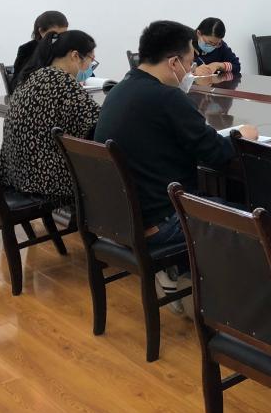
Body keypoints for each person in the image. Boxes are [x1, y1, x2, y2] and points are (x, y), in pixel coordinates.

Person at [95, 20, 258, 275]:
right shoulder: (168, 97)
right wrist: (240, 135)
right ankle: (218, 288)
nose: (190, 71)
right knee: (257, 221)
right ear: (174, 62)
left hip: (121, 219)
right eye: (190, 63)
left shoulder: (119, 89)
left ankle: (180, 274)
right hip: (163, 222)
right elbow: (216, 154)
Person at [0, 30, 99, 204]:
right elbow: (97, 122)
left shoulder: (35, 75)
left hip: (16, 174)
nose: (90, 68)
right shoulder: (61, 80)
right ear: (75, 56)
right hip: (44, 180)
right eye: (91, 60)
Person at [12, 10, 68, 90]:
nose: (59, 39)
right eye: (54, 35)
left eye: (63, 35)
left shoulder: (66, 47)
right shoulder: (27, 49)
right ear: (41, 31)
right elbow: (16, 83)